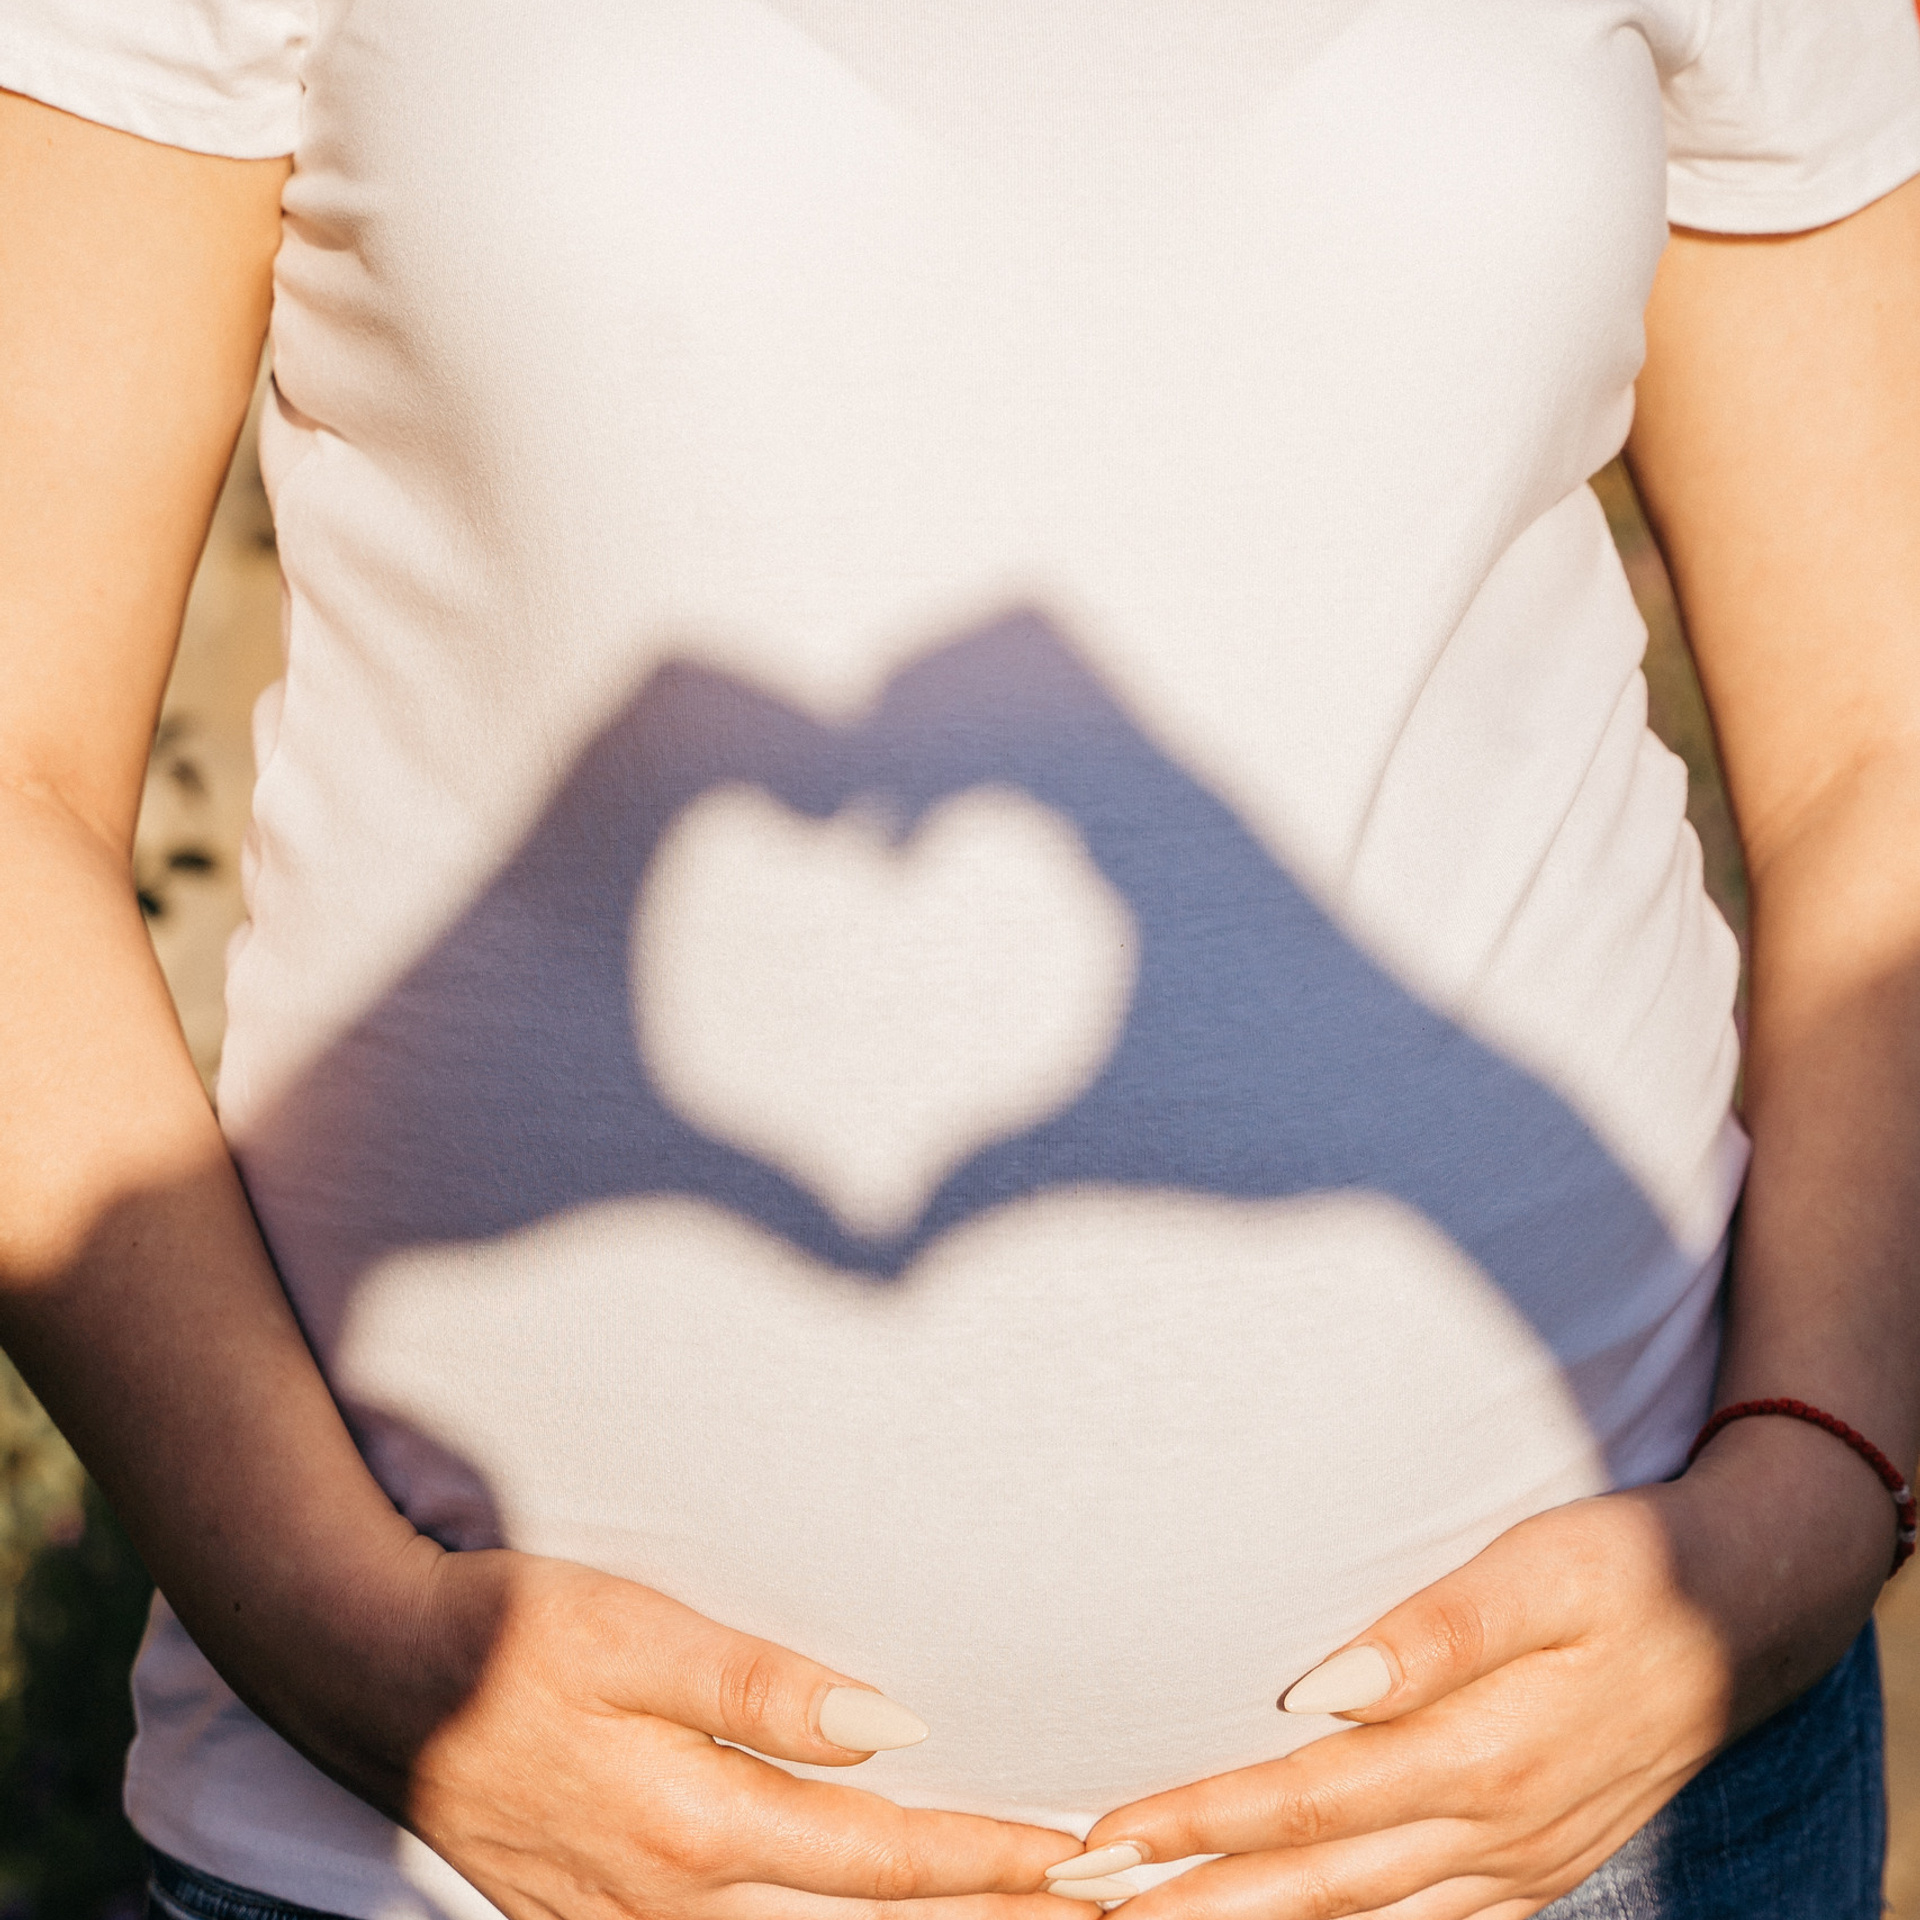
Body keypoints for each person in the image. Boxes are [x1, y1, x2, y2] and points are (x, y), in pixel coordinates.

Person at [3, 1, 1920, 1915]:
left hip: (1595, 1831)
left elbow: (1875, 757)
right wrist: (342, 1637)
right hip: (474, 1863)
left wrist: (1811, 1500)